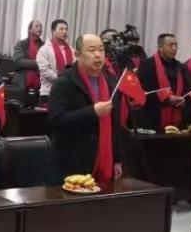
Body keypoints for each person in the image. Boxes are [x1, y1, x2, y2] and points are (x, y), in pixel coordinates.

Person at [47, 34, 126, 184]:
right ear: (78, 55)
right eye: (91, 50)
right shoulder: (64, 83)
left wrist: (117, 159)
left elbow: (115, 125)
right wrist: (92, 112)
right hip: (72, 164)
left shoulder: (111, 82)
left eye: (101, 50)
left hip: (105, 160)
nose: (98, 55)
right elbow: (56, 121)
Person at [137, 33, 191, 131]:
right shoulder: (147, 66)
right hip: (154, 120)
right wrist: (166, 100)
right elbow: (142, 93)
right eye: (171, 45)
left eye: (176, 45)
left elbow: (189, 89)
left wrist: (184, 100)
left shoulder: (180, 67)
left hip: (178, 120)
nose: (174, 48)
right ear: (160, 47)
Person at [36, 19, 74, 104]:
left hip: (68, 92)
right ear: (53, 31)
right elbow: (45, 70)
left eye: (66, 29)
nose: (64, 32)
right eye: (61, 29)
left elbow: (75, 66)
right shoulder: (44, 49)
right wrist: (61, 81)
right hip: (49, 92)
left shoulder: (71, 49)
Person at [12, 20, 44, 95]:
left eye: (41, 27)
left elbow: (47, 63)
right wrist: (39, 63)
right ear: (30, 30)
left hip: (40, 86)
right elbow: (19, 61)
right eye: (37, 26)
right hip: (22, 83)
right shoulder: (21, 44)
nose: (40, 28)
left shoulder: (44, 46)